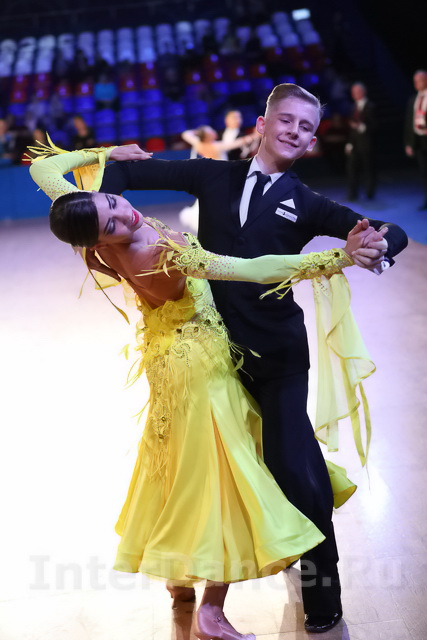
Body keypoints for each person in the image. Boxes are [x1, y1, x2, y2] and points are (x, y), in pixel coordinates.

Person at [29, 142, 384, 639]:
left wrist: (109, 150)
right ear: (98, 237)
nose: (123, 212)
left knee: (180, 468)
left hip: (163, 362)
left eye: (112, 201)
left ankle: (179, 583)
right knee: (226, 478)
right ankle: (211, 613)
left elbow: (45, 167)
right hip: (201, 368)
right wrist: (337, 257)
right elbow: (252, 269)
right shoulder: (162, 251)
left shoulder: (80, 222)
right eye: (111, 222)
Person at [98, 83, 408, 633]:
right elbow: (119, 180)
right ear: (262, 125)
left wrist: (379, 245)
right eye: (285, 120)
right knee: (205, 472)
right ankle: (188, 582)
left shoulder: (307, 202)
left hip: (276, 356)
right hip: (211, 357)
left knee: (295, 469)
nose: (294, 131)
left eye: (306, 127)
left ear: (312, 142)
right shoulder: (210, 175)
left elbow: (386, 230)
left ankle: (323, 597)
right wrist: (110, 243)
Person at [179, 125, 257, 232]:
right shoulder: (216, 146)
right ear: (207, 137)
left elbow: (186, 134)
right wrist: (255, 136)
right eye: (210, 131)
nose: (213, 131)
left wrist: (197, 132)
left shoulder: (198, 143)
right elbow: (237, 143)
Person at [345, 82, 377, 200]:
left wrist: (362, 127)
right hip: (355, 144)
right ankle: (353, 193)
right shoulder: (353, 107)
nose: (354, 94)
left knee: (369, 168)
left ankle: (370, 193)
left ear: (363, 92)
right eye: (353, 92)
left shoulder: (371, 106)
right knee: (352, 168)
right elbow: (351, 128)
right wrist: (349, 143)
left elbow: (376, 125)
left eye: (357, 92)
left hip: (367, 144)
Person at [405, 69, 427, 210]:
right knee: (424, 172)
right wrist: (409, 143)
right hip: (419, 141)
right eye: (415, 81)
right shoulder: (413, 99)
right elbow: (409, 122)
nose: (417, 83)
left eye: (420, 80)